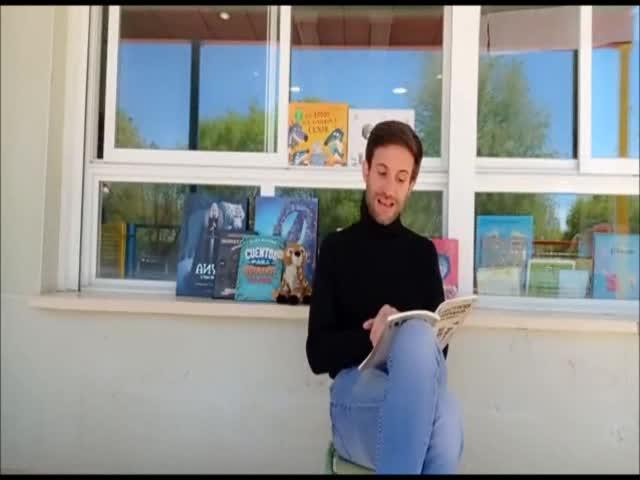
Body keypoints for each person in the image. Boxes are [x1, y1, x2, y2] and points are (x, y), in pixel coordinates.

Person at [305, 121, 464, 474]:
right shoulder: (336, 249)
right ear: (365, 169)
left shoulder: (423, 254)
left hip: (412, 395)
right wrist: (373, 336)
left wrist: (401, 335)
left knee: (445, 406)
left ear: (411, 185)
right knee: (443, 412)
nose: (389, 188)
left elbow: (440, 354)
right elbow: (317, 353)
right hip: (354, 397)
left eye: (401, 178)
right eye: (382, 173)